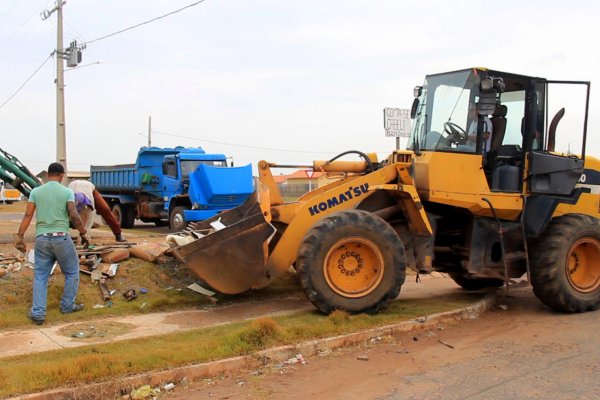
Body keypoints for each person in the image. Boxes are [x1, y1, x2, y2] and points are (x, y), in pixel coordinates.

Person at [14, 163, 89, 325]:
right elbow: (74, 215)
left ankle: (38, 313)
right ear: (61, 175)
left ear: (48, 174)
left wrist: (20, 236)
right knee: (71, 272)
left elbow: (28, 215)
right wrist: (83, 233)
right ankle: (67, 306)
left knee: (41, 276)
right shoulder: (67, 191)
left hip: (42, 238)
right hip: (61, 238)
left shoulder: (36, 192)